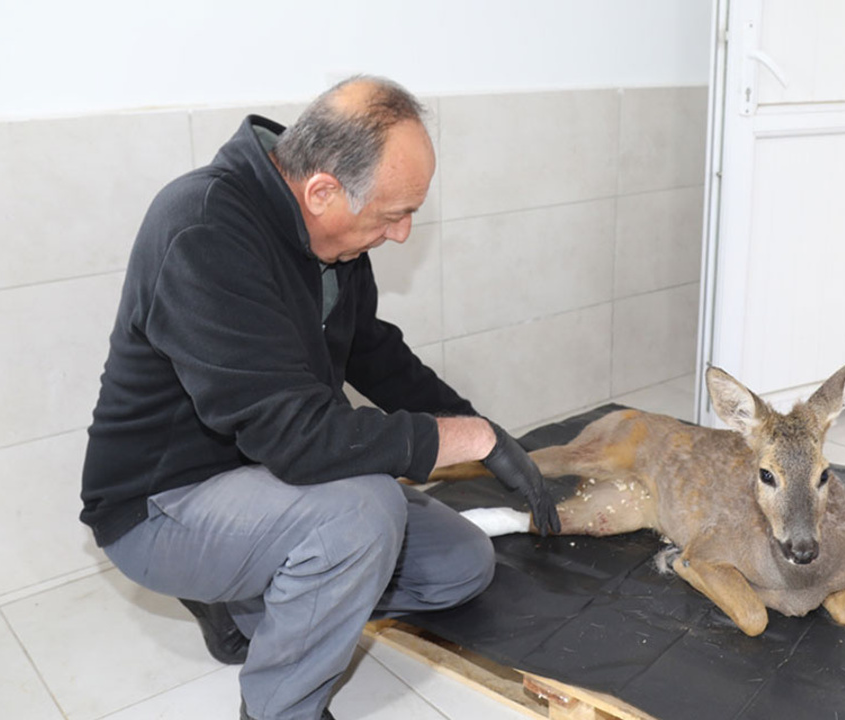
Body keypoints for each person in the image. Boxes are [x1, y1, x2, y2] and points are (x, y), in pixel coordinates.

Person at [80, 75, 560, 720]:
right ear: (323, 190)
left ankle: (251, 600)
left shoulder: (326, 234)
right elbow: (297, 439)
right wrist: (459, 443)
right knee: (360, 514)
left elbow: (373, 352)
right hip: (165, 503)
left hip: (270, 477)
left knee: (460, 567)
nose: (403, 234)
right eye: (394, 214)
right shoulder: (202, 231)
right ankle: (279, 708)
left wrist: (480, 426)